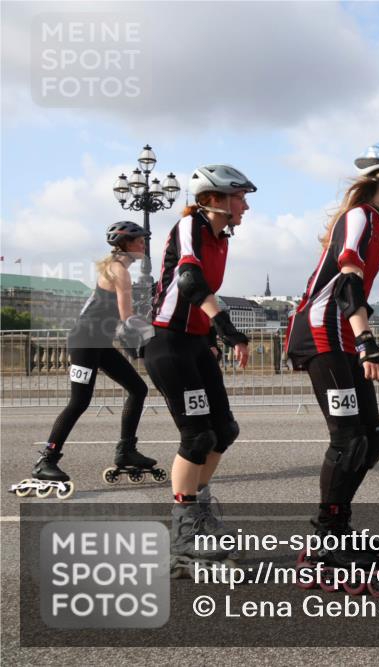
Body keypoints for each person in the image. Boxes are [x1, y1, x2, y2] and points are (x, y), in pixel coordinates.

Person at [285, 140, 379, 580]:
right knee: (349, 440)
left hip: (341, 334)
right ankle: (327, 538)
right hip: (323, 333)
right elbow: (347, 287)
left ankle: (336, 527)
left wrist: (359, 339)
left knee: (372, 437)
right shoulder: (361, 217)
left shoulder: (375, 223)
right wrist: (369, 344)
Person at [143, 164, 254, 572]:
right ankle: (183, 535)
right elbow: (189, 281)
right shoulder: (192, 226)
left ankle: (198, 514)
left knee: (224, 430)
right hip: (168, 343)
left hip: (194, 344)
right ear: (215, 200)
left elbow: (198, 295)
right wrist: (226, 328)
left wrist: (209, 337)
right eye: (240, 197)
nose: (246, 206)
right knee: (197, 434)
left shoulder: (222, 238)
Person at [9, 221, 157, 500]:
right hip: (84, 341)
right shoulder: (119, 271)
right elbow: (127, 318)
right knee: (79, 401)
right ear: (126, 243)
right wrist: (156, 335)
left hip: (99, 342)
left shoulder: (117, 267)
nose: (144, 245)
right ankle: (47, 460)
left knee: (138, 389)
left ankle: (126, 450)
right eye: (140, 240)